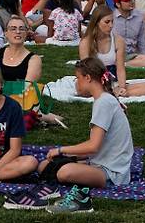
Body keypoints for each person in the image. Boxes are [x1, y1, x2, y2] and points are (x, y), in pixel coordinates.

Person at [37, 57, 133, 213]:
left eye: (77, 78)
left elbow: (93, 146)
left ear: (88, 78)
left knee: (63, 172)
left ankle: (81, 198)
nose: (76, 83)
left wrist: (61, 150)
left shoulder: (104, 102)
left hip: (112, 172)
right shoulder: (104, 100)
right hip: (99, 161)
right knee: (44, 166)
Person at [79, 5, 145, 97]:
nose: (111, 25)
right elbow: (85, 70)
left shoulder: (118, 40)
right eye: (107, 22)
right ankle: (109, 93)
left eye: (112, 21)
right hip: (92, 80)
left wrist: (122, 87)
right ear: (97, 22)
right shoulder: (86, 42)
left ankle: (113, 93)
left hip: (113, 81)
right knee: (82, 89)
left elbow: (120, 68)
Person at [111, 0, 145, 68]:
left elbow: (143, 42)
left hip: (131, 56)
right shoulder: (110, 18)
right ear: (118, 4)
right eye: (126, 0)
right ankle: (120, 65)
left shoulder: (139, 16)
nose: (131, 2)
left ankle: (122, 65)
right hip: (115, 54)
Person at [0, 15, 42, 82]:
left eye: (21, 29)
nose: (18, 32)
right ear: (5, 33)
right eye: (13, 29)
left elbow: (28, 87)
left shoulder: (34, 60)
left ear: (26, 33)